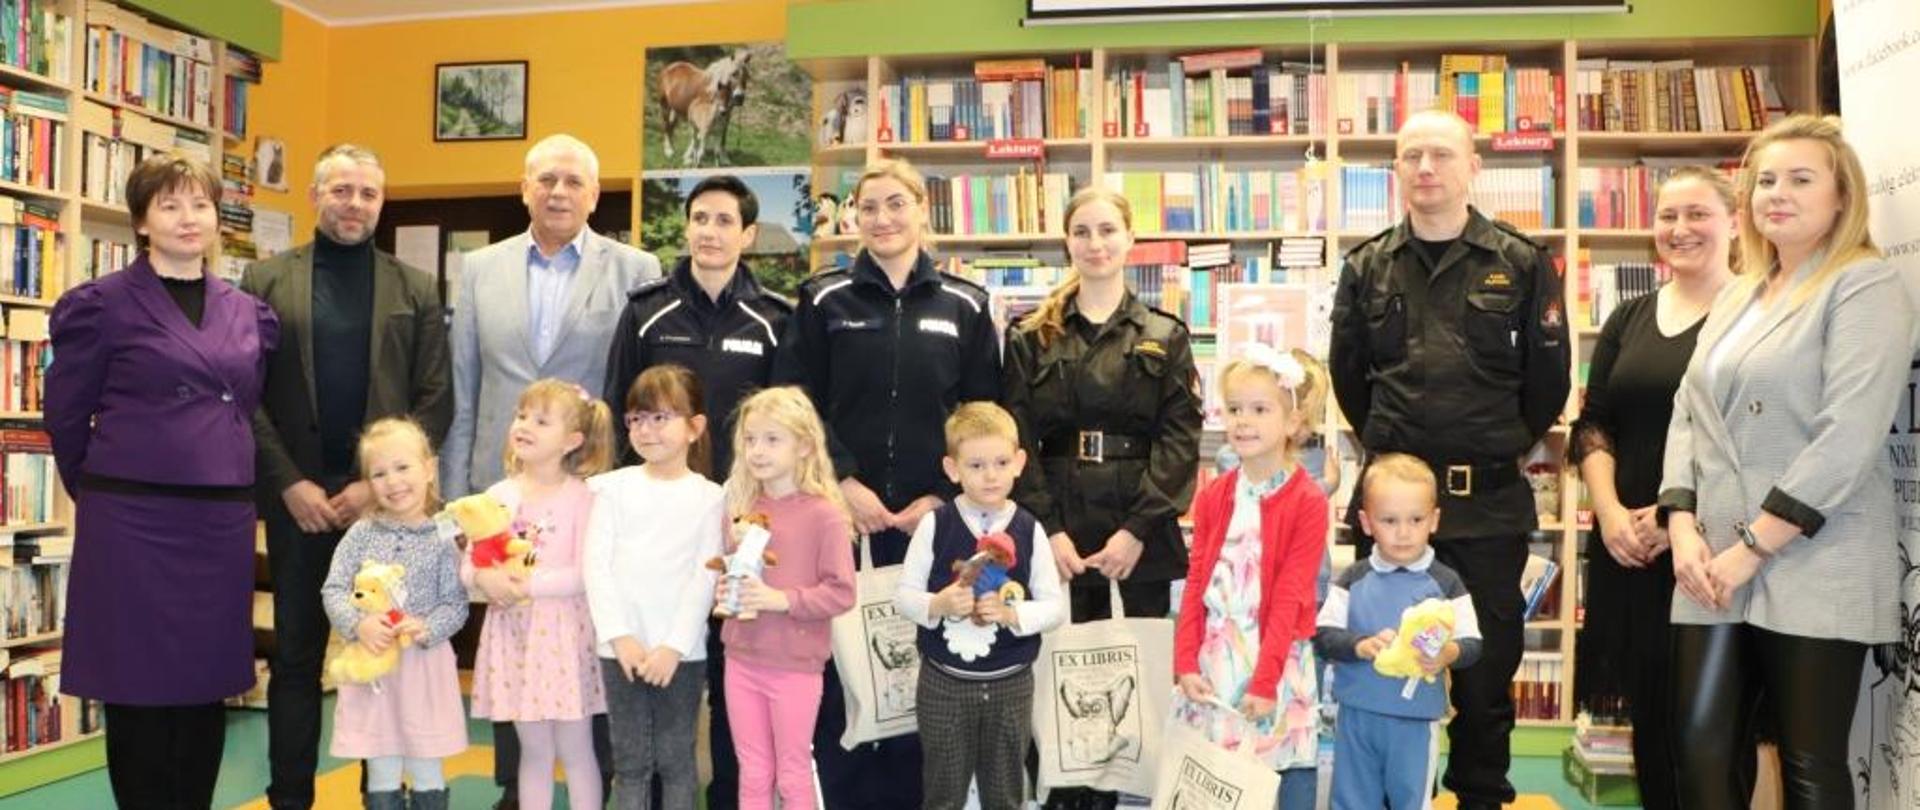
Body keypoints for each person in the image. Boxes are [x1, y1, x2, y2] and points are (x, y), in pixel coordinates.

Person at [1660, 114, 1913, 808]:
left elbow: (1849, 435)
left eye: (1801, 179)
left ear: (1841, 195)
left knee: (1809, 767)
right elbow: (1689, 407)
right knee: (1701, 756)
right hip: (1709, 562)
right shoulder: (1739, 290)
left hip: (1812, 557)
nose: (1777, 193)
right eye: (1765, 179)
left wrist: (1753, 547)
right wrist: (1681, 525)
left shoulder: (1865, 285)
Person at [1328, 109, 1569, 808]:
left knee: (1486, 676)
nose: (1426, 168)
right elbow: (1349, 379)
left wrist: (1488, 448)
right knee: (1386, 666)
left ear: (1472, 169)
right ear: (1396, 171)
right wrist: (1394, 460)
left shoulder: (1520, 263)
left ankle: (1480, 795)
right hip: (1394, 513)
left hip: (1487, 505)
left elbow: (1548, 386)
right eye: (1411, 156)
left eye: (1440, 154)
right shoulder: (1367, 264)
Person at [46, 154, 279, 807]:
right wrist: (101, 494)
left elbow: (246, 404)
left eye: (200, 204)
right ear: (142, 220)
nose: (188, 218)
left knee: (206, 689)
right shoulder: (101, 306)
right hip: (130, 523)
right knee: (137, 690)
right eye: (170, 205)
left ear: (215, 219)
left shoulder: (248, 313)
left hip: (219, 525)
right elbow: (65, 417)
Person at [773, 158, 1001, 810]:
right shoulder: (823, 299)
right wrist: (844, 480)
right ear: (853, 219)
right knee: (845, 674)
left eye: (895, 204)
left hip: (936, 527)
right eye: (868, 207)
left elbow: (984, 415)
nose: (882, 218)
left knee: (923, 672)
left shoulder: (966, 305)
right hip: (840, 522)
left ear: (922, 211)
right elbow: (794, 400)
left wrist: (942, 492)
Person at [441, 134, 657, 808]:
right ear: (524, 188)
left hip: (591, 489)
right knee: (512, 660)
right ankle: (515, 791)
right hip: (500, 488)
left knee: (585, 667)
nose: (559, 191)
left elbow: (634, 389)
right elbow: (464, 385)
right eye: (546, 179)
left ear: (594, 195)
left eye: (573, 181)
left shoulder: (635, 267)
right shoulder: (478, 269)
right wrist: (457, 497)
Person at [244, 143, 452, 810]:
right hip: (298, 501)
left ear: (381, 202)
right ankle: (290, 798)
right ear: (315, 196)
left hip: (387, 510)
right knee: (298, 660)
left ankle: (380, 797)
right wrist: (287, 483)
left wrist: (377, 487)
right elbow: (244, 395)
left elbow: (435, 398)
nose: (353, 203)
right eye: (340, 190)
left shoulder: (414, 288)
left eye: (366, 193)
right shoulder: (265, 280)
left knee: (387, 654)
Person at [602, 175, 791, 809]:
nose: (710, 232)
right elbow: (617, 407)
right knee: (656, 665)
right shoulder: (646, 309)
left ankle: (735, 796)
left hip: (741, 516)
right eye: (699, 218)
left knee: (732, 671)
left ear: (748, 234)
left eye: (723, 221)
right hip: (660, 518)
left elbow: (786, 420)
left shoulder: (774, 319)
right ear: (686, 227)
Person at [1568, 167, 1738, 810]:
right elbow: (1594, 422)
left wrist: (1677, 521)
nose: (1680, 228)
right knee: (1651, 727)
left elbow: (1755, 440)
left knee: (1713, 734)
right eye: (1668, 216)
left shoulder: (1758, 313)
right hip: (1628, 551)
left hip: (1713, 549)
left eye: (1697, 214)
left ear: (1732, 220)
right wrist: (1608, 512)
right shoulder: (1628, 316)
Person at [1173, 345, 1331, 810]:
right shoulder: (1215, 494)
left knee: (1283, 781)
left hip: (1277, 661)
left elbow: (1290, 598)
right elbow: (1196, 583)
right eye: (1235, 409)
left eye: (1259, 410)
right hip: (1216, 660)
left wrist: (1265, 683)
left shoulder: (1307, 500)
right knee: (1217, 788)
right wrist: (1185, 663)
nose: (1242, 421)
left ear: (1293, 423)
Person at [895, 401, 1067, 810]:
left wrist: (1012, 615)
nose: (990, 475)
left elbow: (1053, 606)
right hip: (944, 683)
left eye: (1000, 462)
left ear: (1020, 463)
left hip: (1012, 683)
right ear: (953, 469)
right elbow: (903, 596)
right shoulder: (936, 525)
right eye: (975, 466)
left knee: (1006, 792)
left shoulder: (1030, 529)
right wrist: (937, 603)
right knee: (943, 791)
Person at [465, 379, 617, 810]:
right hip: (514, 637)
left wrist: (527, 585)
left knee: (575, 749)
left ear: (572, 440)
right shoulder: (498, 495)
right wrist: (484, 579)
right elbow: (472, 561)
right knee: (532, 751)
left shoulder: (585, 497)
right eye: (521, 415)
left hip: (563, 638)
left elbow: (585, 573)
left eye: (541, 420)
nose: (525, 425)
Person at [583, 365, 727, 810]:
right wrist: (619, 636)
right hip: (619, 650)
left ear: (694, 427)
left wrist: (674, 646)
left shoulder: (710, 496)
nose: (646, 430)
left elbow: (706, 575)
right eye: (637, 419)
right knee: (629, 764)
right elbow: (596, 566)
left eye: (660, 417)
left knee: (676, 761)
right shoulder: (610, 488)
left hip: (680, 655)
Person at [715, 386, 857, 810]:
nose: (757, 450)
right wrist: (725, 589)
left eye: (772, 439)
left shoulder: (825, 514)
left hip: (795, 665)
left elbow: (842, 592)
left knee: (793, 771)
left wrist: (780, 600)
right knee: (753, 771)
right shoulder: (740, 506)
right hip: (741, 659)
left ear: (805, 445)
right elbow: (729, 574)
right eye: (751, 439)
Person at [1315, 453, 1483, 810]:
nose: (1403, 532)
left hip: (1416, 721)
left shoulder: (1446, 583)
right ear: (1365, 521)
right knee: (1351, 801)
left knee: (1412, 801)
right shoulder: (1353, 578)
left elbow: (1472, 642)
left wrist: (1447, 654)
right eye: (1389, 520)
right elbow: (1324, 635)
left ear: (1434, 520)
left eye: (1416, 519)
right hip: (1357, 716)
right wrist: (1359, 645)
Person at [319, 418, 470, 810]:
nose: (393, 481)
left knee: (425, 764)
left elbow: (455, 603)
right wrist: (358, 624)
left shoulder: (444, 535)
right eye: (379, 473)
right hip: (375, 672)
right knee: (381, 761)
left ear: (429, 468)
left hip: (424, 668)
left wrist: (428, 627)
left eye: (403, 467)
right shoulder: (361, 534)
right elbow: (334, 589)